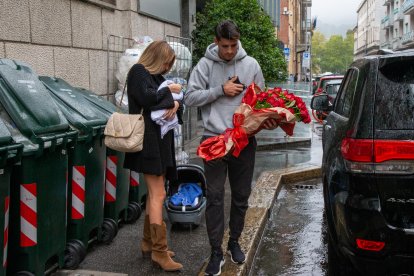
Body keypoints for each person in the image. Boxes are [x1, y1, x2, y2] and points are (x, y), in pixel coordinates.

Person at [185, 20, 278, 276]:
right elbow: (189, 97)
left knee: (240, 196)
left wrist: (267, 119)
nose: (229, 51)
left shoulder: (251, 65)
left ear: (238, 41)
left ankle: (234, 242)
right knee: (214, 197)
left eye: (233, 45)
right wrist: (219, 90)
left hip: (243, 141)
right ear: (216, 42)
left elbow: (262, 102)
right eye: (224, 46)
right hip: (214, 139)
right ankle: (216, 252)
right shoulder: (205, 65)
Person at [123, 40, 183, 272]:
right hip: (148, 143)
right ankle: (159, 251)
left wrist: (176, 104)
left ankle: (149, 243)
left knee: (154, 194)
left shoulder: (155, 76)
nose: (168, 68)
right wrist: (171, 94)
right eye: (166, 63)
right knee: (158, 194)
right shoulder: (138, 72)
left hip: (158, 143)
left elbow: (175, 103)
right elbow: (149, 99)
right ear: (158, 59)